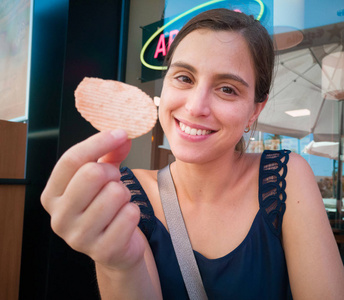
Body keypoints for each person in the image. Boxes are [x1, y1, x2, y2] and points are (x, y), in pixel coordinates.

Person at [41, 8, 344, 300]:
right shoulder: (123, 196)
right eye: (184, 78)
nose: (196, 107)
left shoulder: (286, 176)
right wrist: (120, 264)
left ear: (255, 110)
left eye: (227, 89)